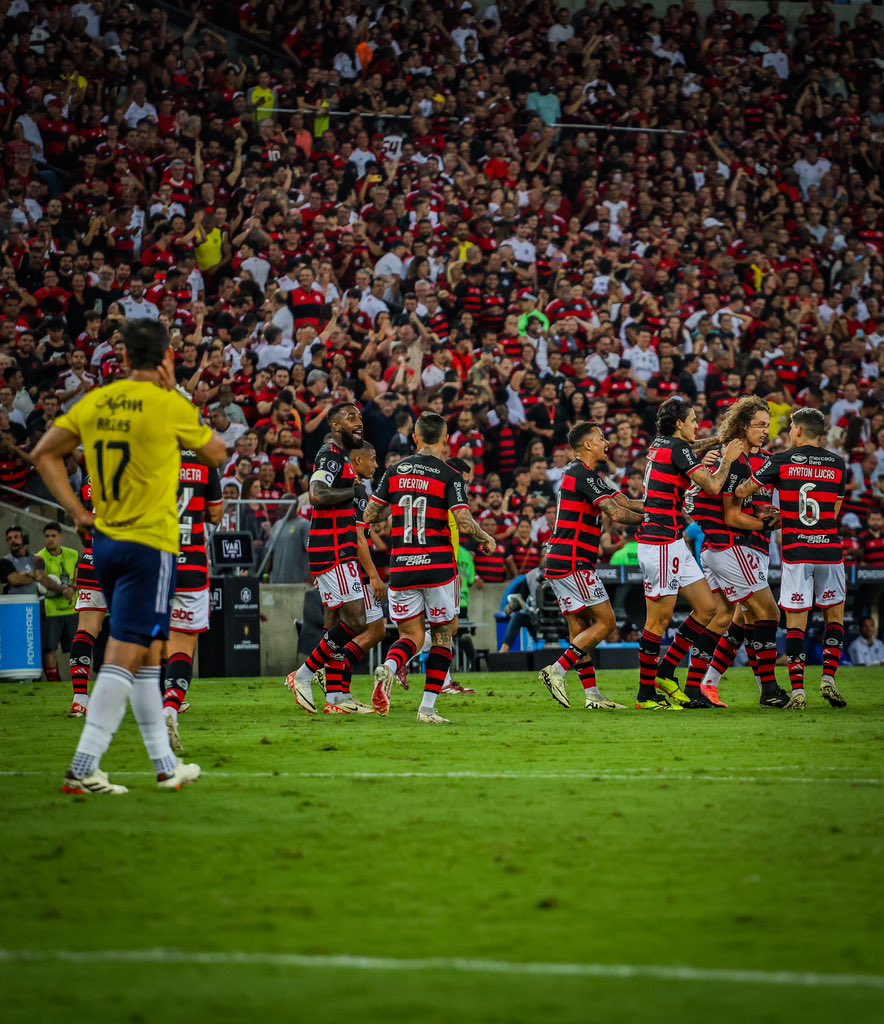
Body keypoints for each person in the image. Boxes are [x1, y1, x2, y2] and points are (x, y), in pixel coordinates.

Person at [31, 319, 227, 795]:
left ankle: (164, 765)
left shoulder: (95, 402)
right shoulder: (166, 404)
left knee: (148, 656)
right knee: (124, 655)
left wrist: (78, 512)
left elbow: (43, 454)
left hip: (105, 544)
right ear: (166, 360)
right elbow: (217, 453)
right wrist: (175, 398)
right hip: (149, 546)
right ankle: (83, 767)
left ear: (122, 360)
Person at [365, 412, 496, 723]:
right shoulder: (449, 474)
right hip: (437, 566)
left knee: (410, 635)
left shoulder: (395, 471)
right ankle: (426, 708)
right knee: (442, 634)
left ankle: (390, 667)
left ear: (416, 438)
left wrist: (398, 509)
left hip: (402, 566)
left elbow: (371, 515)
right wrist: (485, 537)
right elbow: (464, 522)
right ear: (446, 437)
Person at [635, 396, 744, 711]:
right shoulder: (678, 448)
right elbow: (711, 486)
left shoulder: (662, 444)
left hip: (673, 541)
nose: (697, 425)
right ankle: (646, 694)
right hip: (659, 542)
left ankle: (666, 671)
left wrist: (720, 441)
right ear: (680, 423)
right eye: (693, 420)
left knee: (707, 607)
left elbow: (689, 450)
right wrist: (726, 458)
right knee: (659, 619)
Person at [736, 407, 849, 710]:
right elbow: (833, 513)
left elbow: (744, 489)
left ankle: (798, 691)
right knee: (834, 618)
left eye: (789, 429)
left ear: (798, 430)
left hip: (797, 552)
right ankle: (828, 679)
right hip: (829, 550)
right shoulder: (838, 464)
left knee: (796, 623)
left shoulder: (781, 460)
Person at [683, 398, 789, 709]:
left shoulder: (768, 462)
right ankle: (768, 690)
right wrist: (765, 523)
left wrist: (769, 514)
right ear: (742, 425)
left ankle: (700, 687)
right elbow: (724, 511)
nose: (765, 431)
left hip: (750, 548)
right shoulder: (729, 458)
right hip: (734, 545)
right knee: (766, 613)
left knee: (727, 619)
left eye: (767, 425)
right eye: (759, 425)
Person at [537, 422, 643, 711]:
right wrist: (655, 519)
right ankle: (556, 670)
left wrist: (658, 506)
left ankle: (593, 696)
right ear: (587, 445)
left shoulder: (582, 475)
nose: (606, 442)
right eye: (601, 438)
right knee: (606, 623)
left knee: (580, 628)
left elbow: (621, 500)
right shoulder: (581, 474)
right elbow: (616, 512)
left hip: (560, 558)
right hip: (573, 560)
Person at [284, 403, 372, 714]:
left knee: (338, 621)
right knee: (357, 621)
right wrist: (354, 492)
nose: (358, 421)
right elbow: (318, 494)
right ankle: (304, 674)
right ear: (335, 428)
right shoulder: (329, 456)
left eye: (359, 417)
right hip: (333, 548)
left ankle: (336, 697)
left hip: (335, 547)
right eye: (350, 418)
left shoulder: (342, 459)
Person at [316, 441, 387, 715]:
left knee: (372, 629)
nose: (376, 464)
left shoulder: (358, 490)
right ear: (357, 460)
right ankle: (329, 686)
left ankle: (339, 690)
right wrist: (373, 575)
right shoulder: (352, 491)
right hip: (349, 567)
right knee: (347, 626)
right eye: (373, 459)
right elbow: (358, 539)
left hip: (343, 565)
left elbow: (364, 528)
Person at [162, 442, 225, 753]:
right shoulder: (205, 462)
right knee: (184, 646)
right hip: (193, 564)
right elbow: (216, 514)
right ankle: (171, 707)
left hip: (155, 562)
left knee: (143, 644)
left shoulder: (154, 455)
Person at [69, 474, 107, 717]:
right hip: (127, 560)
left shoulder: (92, 477)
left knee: (85, 632)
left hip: (94, 558)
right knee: (148, 630)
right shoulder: (137, 468)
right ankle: (162, 698)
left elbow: (79, 525)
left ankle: (80, 699)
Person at [36, 521, 79, 687]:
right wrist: (63, 589)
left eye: (53, 536)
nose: (50, 539)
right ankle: (54, 684)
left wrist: (73, 589)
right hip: (50, 610)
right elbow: (40, 576)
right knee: (49, 649)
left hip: (71, 609)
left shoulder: (73, 554)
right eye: (46, 536)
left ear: (61, 537)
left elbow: (79, 574)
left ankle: (79, 680)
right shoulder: (39, 557)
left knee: (78, 646)